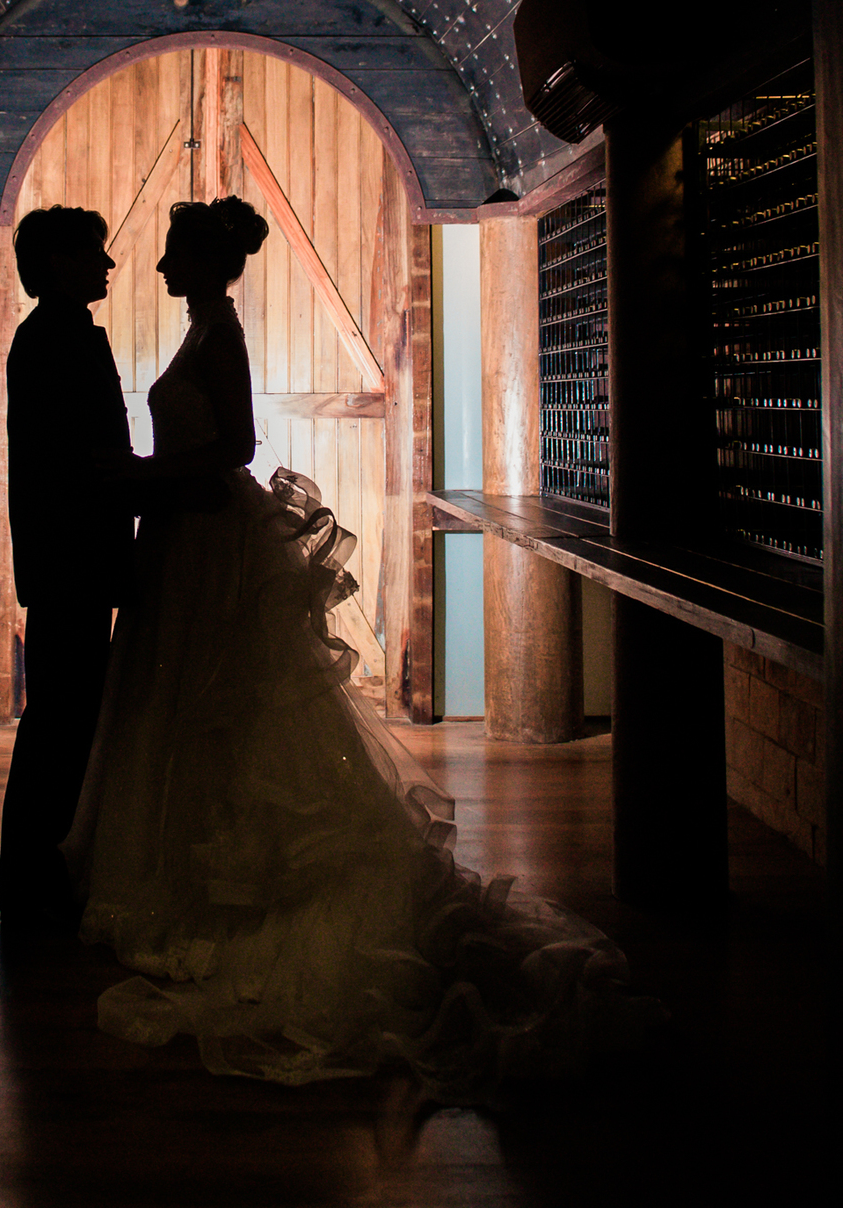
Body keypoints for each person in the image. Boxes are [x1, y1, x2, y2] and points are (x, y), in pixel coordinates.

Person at [67, 195, 661, 1098]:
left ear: (205, 264)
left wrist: (150, 473)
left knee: (223, 698)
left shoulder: (221, 335)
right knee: (183, 699)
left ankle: (229, 884)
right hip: (184, 534)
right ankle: (188, 864)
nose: (157, 267)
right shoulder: (203, 328)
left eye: (172, 254)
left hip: (210, 533)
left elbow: (236, 443)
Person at [0, 205, 134, 931]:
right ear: (58, 264)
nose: (106, 265)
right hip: (69, 558)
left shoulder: (57, 334)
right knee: (58, 719)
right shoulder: (54, 340)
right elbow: (75, 465)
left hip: (71, 558)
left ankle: (47, 875)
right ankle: (34, 882)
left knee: (66, 715)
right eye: (92, 253)